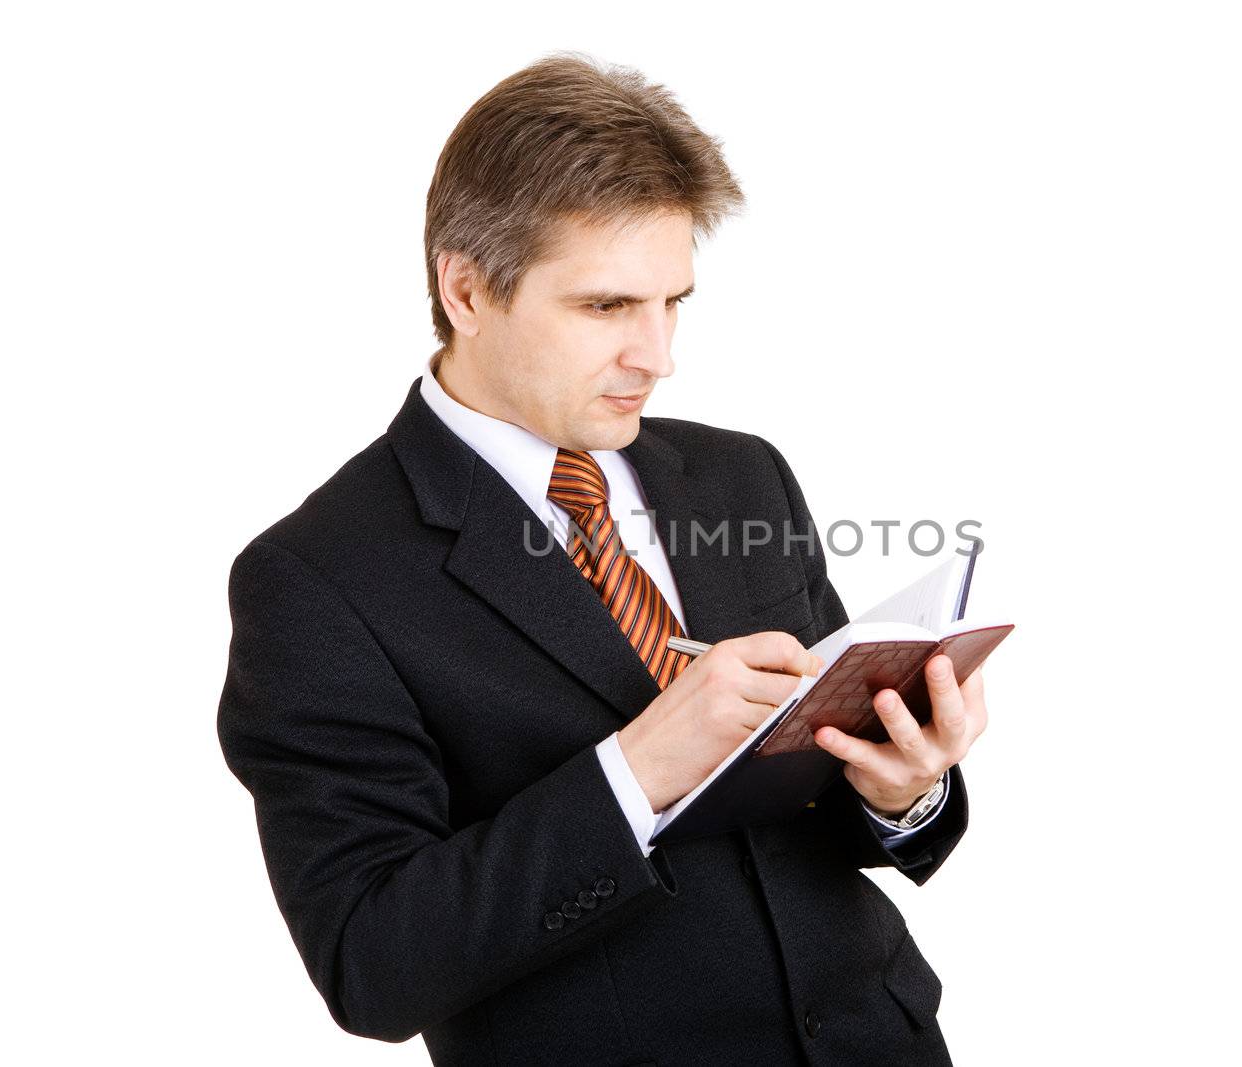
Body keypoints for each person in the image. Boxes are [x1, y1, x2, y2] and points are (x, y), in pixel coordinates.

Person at [216, 51, 989, 1067]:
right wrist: (636, 770)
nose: (658, 354)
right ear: (465, 288)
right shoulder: (316, 580)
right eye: (606, 307)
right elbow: (371, 959)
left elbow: (814, 801)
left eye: (674, 301)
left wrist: (901, 789)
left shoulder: (739, 476)